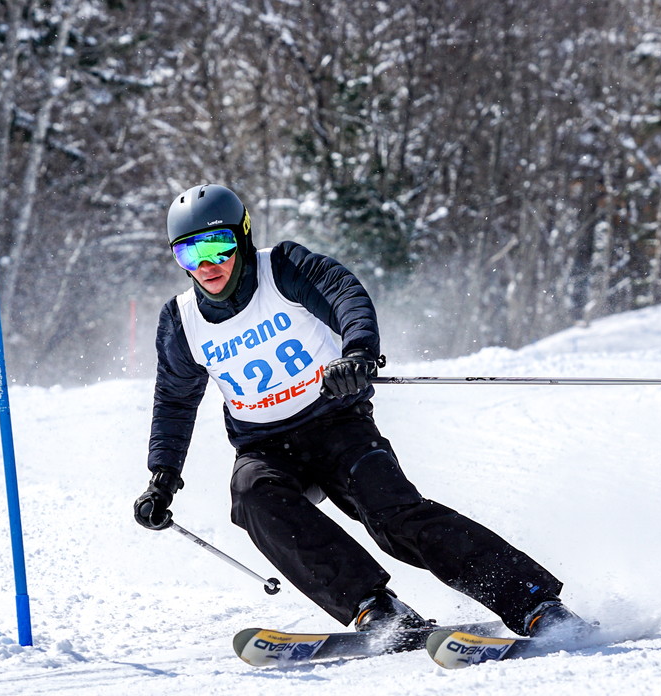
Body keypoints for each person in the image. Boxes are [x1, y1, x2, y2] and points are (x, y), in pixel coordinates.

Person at [134, 183, 589, 644]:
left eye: (217, 245)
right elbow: (174, 400)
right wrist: (163, 475)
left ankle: (532, 601)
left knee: (393, 517)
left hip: (336, 424)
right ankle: (375, 609)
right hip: (265, 445)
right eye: (188, 253)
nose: (207, 265)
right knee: (252, 496)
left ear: (244, 236)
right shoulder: (182, 319)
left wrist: (358, 354)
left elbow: (343, 295)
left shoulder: (283, 268)